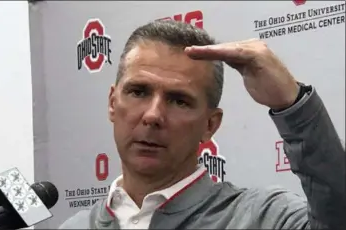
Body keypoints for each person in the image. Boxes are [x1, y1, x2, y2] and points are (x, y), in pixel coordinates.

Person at [59, 20, 345, 229]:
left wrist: (293, 105)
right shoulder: (75, 226)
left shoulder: (263, 217)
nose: (152, 115)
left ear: (210, 125)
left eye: (179, 100)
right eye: (139, 92)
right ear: (112, 102)